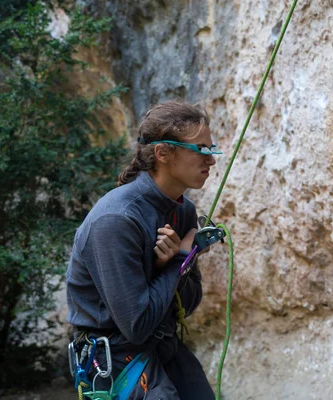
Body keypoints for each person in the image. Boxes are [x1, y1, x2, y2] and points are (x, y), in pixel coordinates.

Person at [66, 101, 222, 399]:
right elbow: (136, 326)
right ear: (163, 153)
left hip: (163, 347)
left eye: (211, 149)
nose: (211, 160)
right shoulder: (116, 220)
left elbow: (186, 306)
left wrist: (178, 263)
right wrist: (178, 260)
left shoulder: (182, 212)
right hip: (115, 360)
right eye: (201, 149)